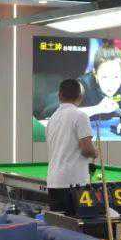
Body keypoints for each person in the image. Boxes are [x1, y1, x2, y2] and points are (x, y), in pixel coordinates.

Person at [45, 79, 97, 215]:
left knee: (59, 225)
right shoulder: (80, 116)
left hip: (53, 182)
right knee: (78, 223)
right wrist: (95, 152)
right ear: (80, 97)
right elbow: (87, 150)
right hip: (74, 183)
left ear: (59, 96)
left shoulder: (52, 118)